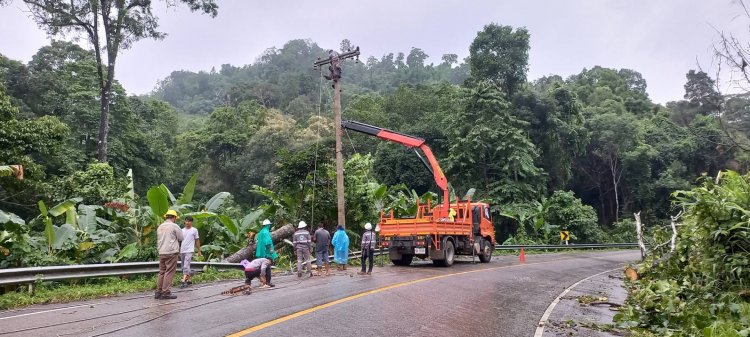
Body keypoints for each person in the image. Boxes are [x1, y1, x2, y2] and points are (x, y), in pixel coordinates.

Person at [156, 210, 183, 300]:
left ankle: (158, 292)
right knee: (169, 272)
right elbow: (181, 238)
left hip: (161, 252)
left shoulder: (160, 227)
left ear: (166, 217)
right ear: (174, 218)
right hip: (171, 252)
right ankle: (166, 292)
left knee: (162, 272)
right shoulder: (174, 226)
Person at [179, 215, 201, 288]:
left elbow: (197, 240)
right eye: (186, 221)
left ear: (191, 222)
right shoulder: (181, 230)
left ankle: (183, 281)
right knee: (183, 266)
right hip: (182, 250)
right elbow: (179, 241)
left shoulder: (194, 230)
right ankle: (189, 279)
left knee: (186, 265)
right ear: (184, 221)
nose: (187, 222)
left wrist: (199, 251)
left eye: (189, 221)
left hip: (189, 250)